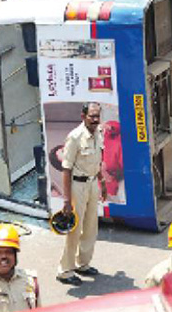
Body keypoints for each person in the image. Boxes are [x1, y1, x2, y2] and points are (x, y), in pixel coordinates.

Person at [57, 102, 106, 286]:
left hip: (93, 183)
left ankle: (82, 264)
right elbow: (66, 169)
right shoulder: (75, 137)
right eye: (91, 116)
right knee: (74, 230)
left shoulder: (98, 133)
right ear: (83, 116)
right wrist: (67, 200)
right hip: (77, 186)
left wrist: (102, 182)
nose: (95, 119)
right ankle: (65, 271)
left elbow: (98, 160)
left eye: (97, 116)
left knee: (91, 226)